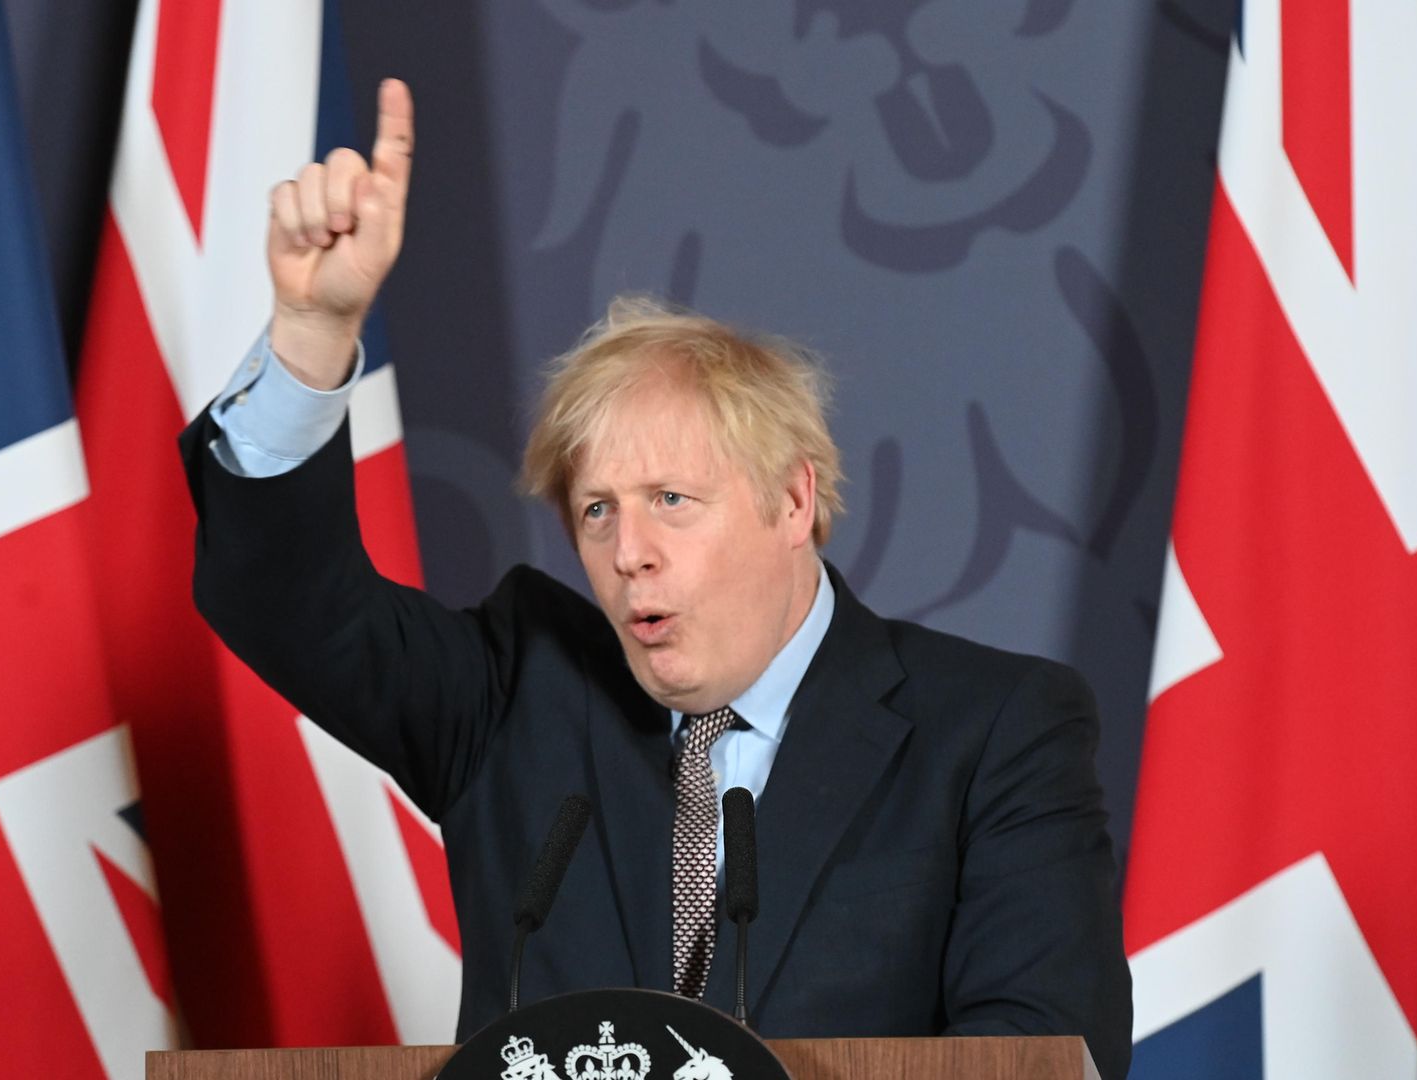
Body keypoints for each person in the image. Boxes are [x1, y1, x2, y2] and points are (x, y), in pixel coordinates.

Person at [181, 79, 1131, 1077]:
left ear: (792, 501)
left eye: (671, 499)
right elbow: (283, 601)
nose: (629, 548)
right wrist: (314, 333)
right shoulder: (516, 694)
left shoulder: (994, 731)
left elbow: (1037, 1051)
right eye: (598, 511)